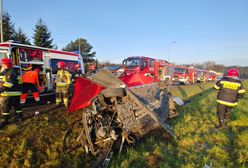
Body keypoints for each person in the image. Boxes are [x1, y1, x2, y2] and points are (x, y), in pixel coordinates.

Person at [0, 58, 22, 128]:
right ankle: (19, 118)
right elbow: (2, 74)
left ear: (7, 64)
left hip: (10, 93)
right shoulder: (9, 71)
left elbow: (9, 83)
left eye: (3, 64)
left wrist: (0, 89)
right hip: (15, 93)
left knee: (5, 107)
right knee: (17, 106)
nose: (2, 65)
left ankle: (4, 121)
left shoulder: (11, 72)